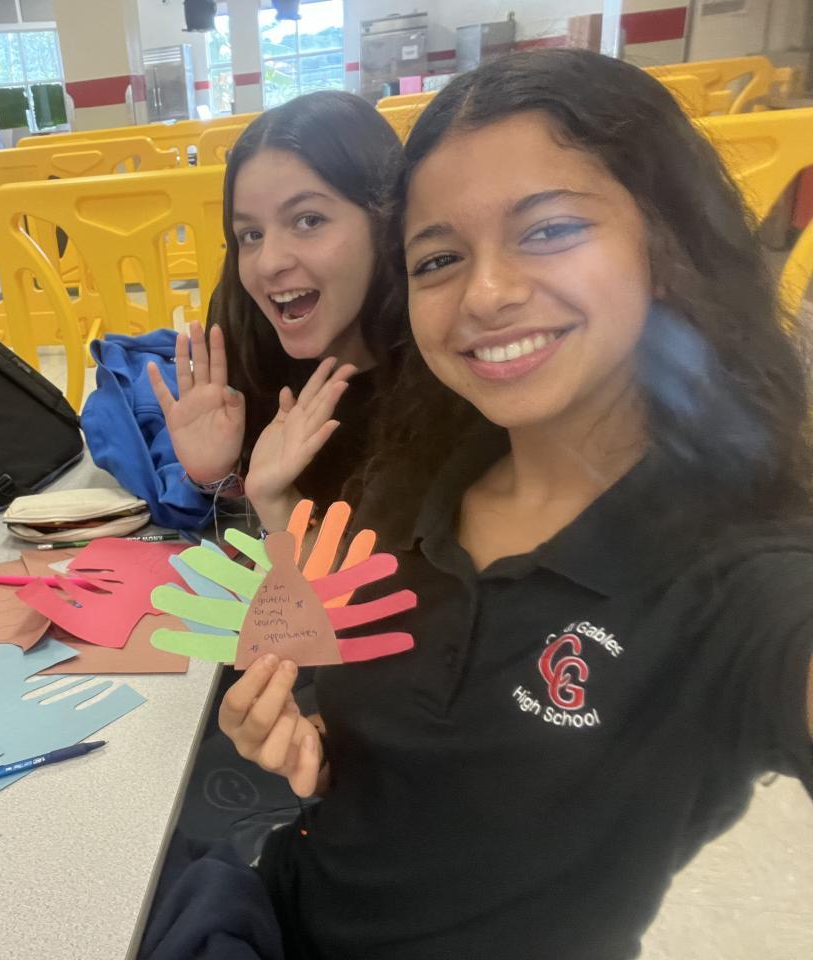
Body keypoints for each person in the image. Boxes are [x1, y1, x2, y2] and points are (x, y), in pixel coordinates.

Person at [221, 49, 813, 958]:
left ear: (665, 244)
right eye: (440, 258)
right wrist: (313, 745)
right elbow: (409, 760)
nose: (486, 293)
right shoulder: (415, 478)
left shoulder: (734, 575)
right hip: (275, 915)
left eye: (549, 230)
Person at [147, 90, 405, 533]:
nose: (268, 263)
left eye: (308, 220)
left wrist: (279, 502)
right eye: (250, 234)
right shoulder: (245, 327)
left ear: (386, 220)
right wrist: (220, 475)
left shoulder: (440, 368)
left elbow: (395, 570)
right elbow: (256, 508)